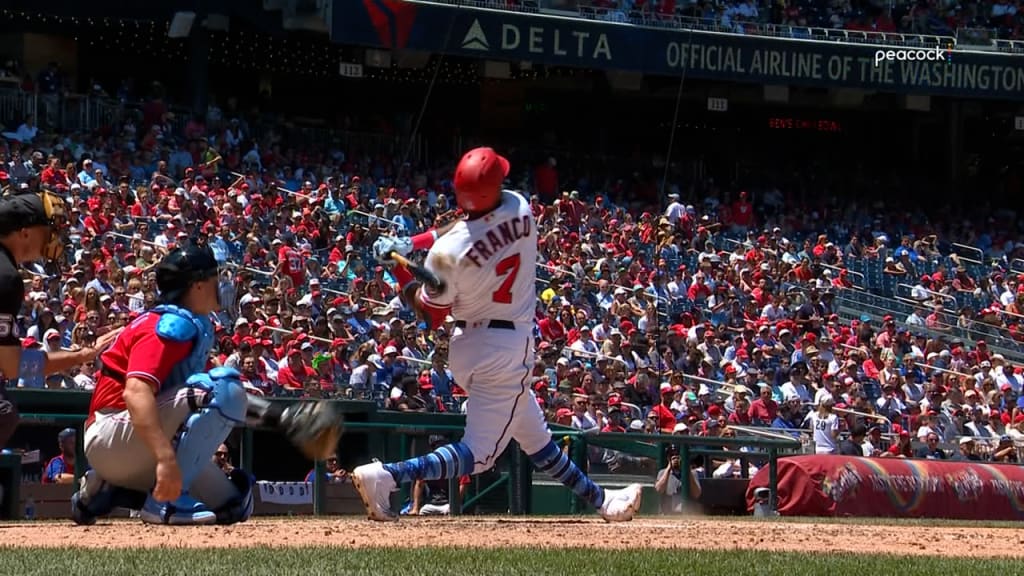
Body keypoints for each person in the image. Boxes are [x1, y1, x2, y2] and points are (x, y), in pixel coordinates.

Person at [354, 147, 641, 522]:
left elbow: (431, 315)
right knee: (480, 454)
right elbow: (470, 224)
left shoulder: (444, 254)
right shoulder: (520, 206)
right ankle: (387, 476)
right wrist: (414, 246)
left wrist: (400, 268)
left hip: (468, 346)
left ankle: (604, 502)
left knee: (536, 436)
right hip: (507, 348)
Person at [70, 245, 344, 526]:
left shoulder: (188, 322)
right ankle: (163, 502)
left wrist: (282, 417)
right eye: (215, 278)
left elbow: (207, 395)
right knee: (221, 385)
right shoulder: (168, 324)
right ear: (198, 285)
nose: (220, 284)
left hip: (129, 447)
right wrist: (165, 458)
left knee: (233, 504)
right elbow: (136, 391)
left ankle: (107, 490)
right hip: (112, 431)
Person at [0, 191, 118, 449]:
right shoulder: (6, 277)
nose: (53, 238)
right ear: (25, 232)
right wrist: (81, 355)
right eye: (47, 230)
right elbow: (12, 366)